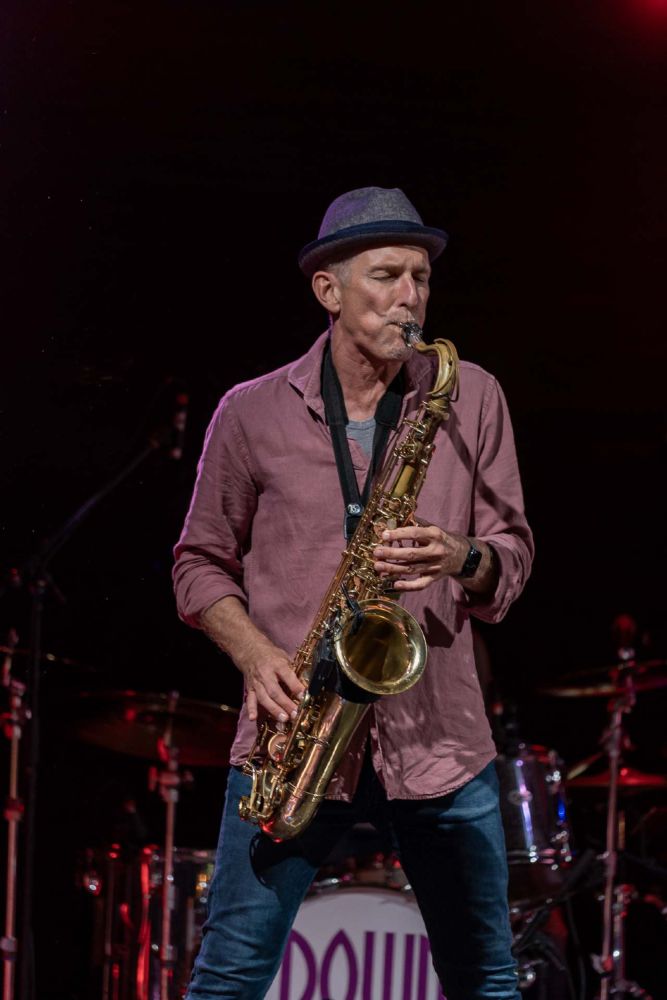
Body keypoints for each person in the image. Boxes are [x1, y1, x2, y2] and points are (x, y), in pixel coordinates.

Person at [173, 186, 534, 999]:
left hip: (439, 741)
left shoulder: (471, 394)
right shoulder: (250, 412)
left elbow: (511, 558)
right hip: (294, 737)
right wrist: (253, 653)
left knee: (486, 980)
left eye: (420, 277)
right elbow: (197, 563)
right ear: (327, 290)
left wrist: (461, 555)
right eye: (386, 275)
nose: (410, 296)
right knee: (227, 977)